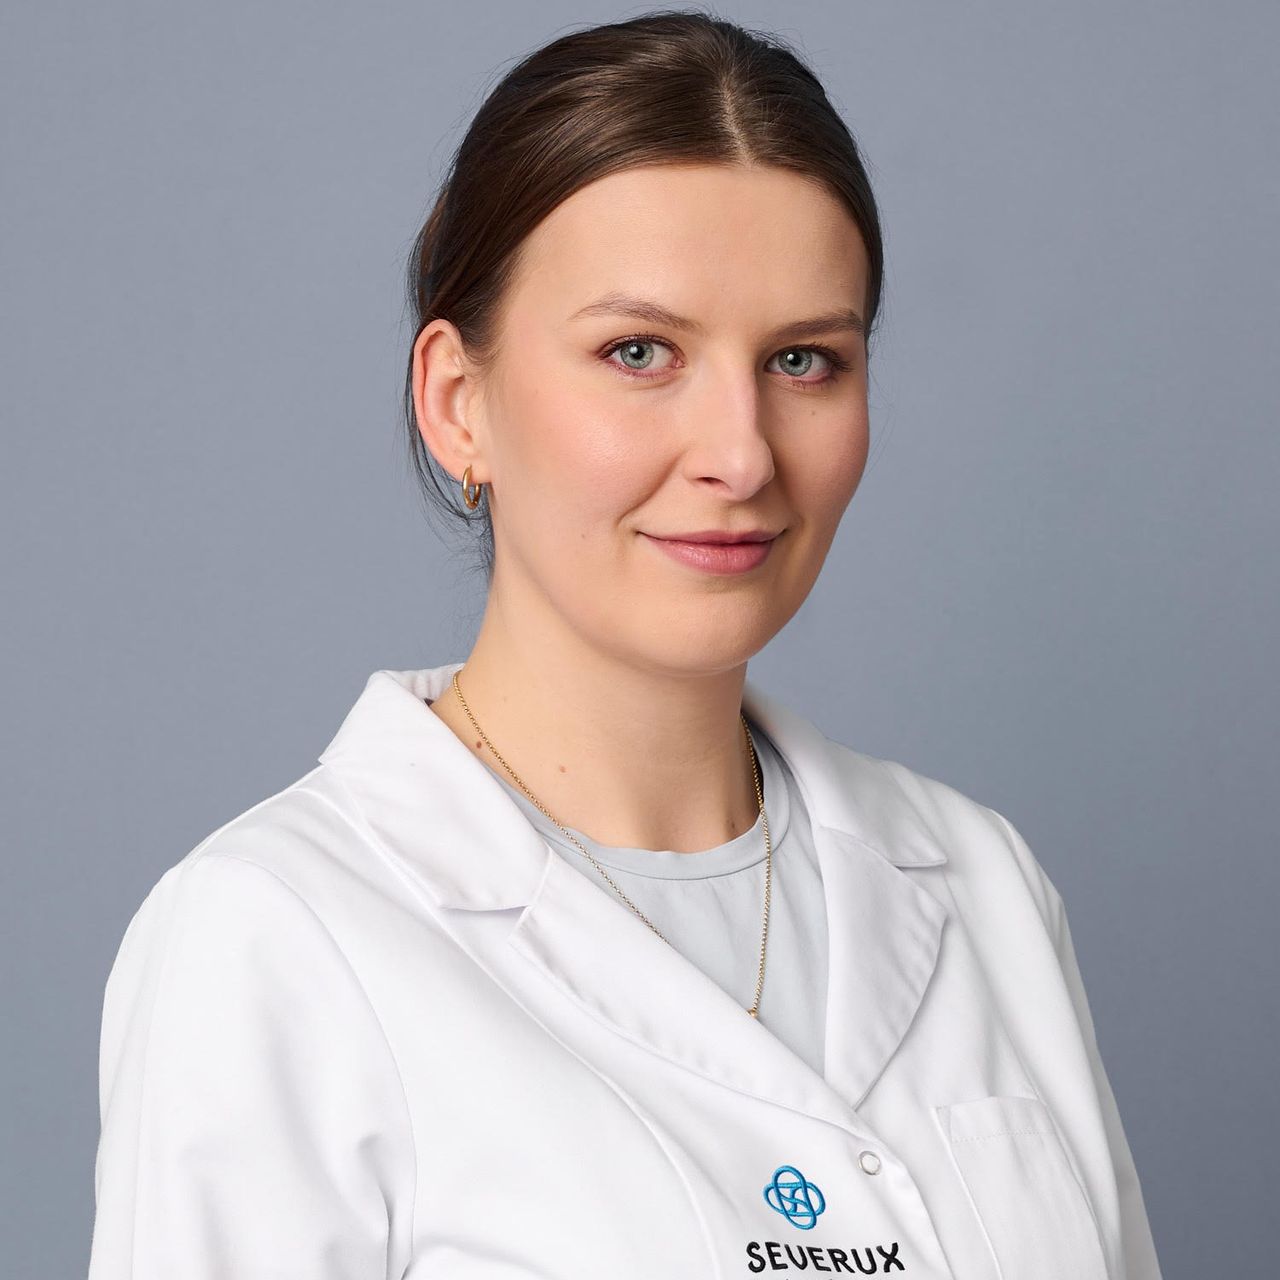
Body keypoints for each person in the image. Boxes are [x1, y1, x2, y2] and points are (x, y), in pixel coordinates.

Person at [87, 11, 1163, 1279]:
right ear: (458, 403)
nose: (741, 454)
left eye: (802, 359)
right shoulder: (275, 937)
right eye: (638, 352)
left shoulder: (982, 885)